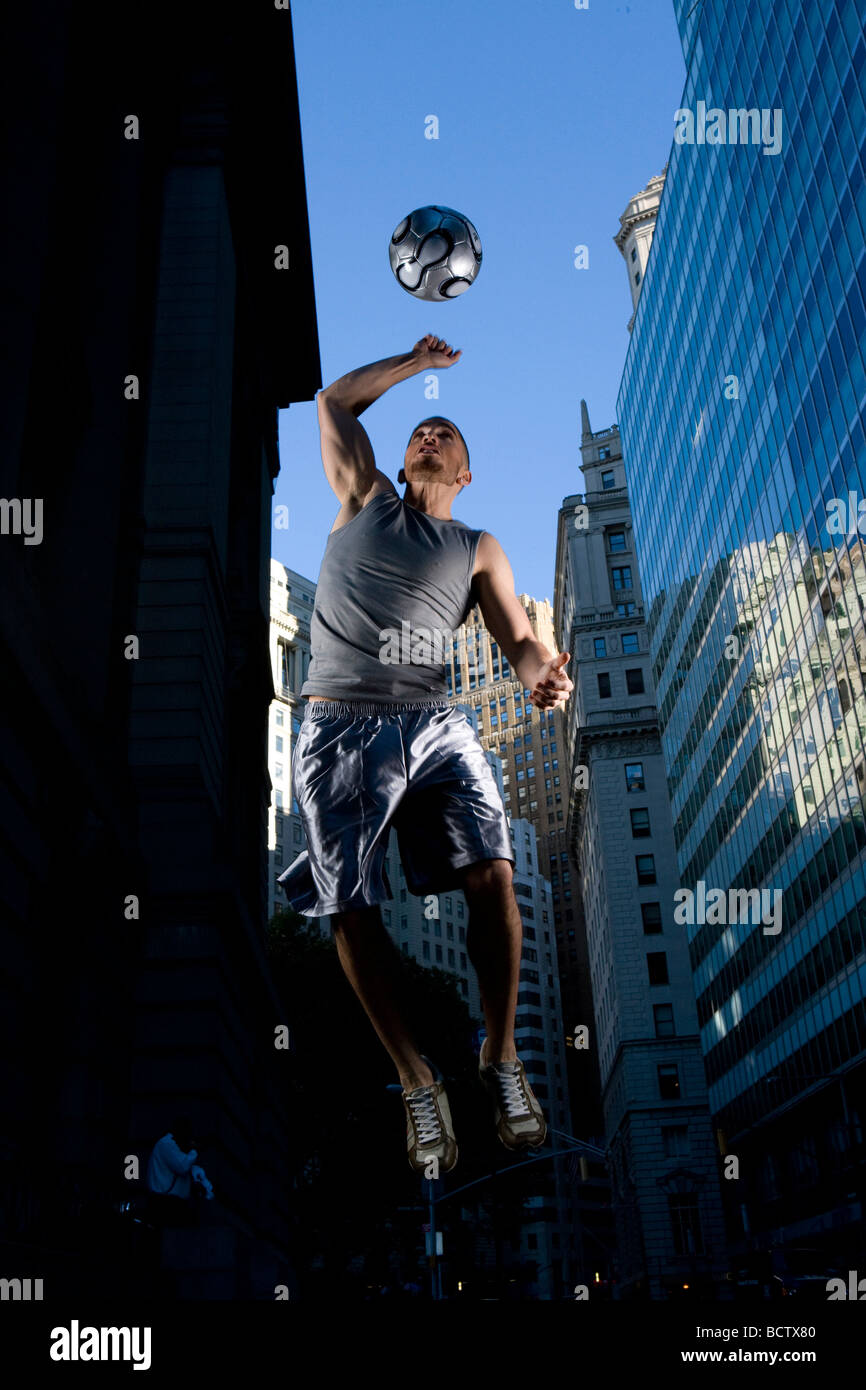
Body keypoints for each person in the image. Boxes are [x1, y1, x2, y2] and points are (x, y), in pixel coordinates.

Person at [279, 335, 573, 1174]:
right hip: (337, 722)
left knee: (496, 870)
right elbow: (334, 403)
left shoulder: (478, 546)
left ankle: (501, 1054)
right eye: (420, 431)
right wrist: (411, 364)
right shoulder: (364, 496)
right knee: (350, 905)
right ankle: (416, 1079)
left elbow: (517, 643)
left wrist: (541, 678)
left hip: (432, 719)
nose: (429, 436)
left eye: (446, 435)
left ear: (467, 474)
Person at [145, 1118, 214, 1226]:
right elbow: (182, 1167)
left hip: (175, 1203)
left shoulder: (177, 1149)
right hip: (164, 1203)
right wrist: (193, 1151)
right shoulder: (166, 1144)